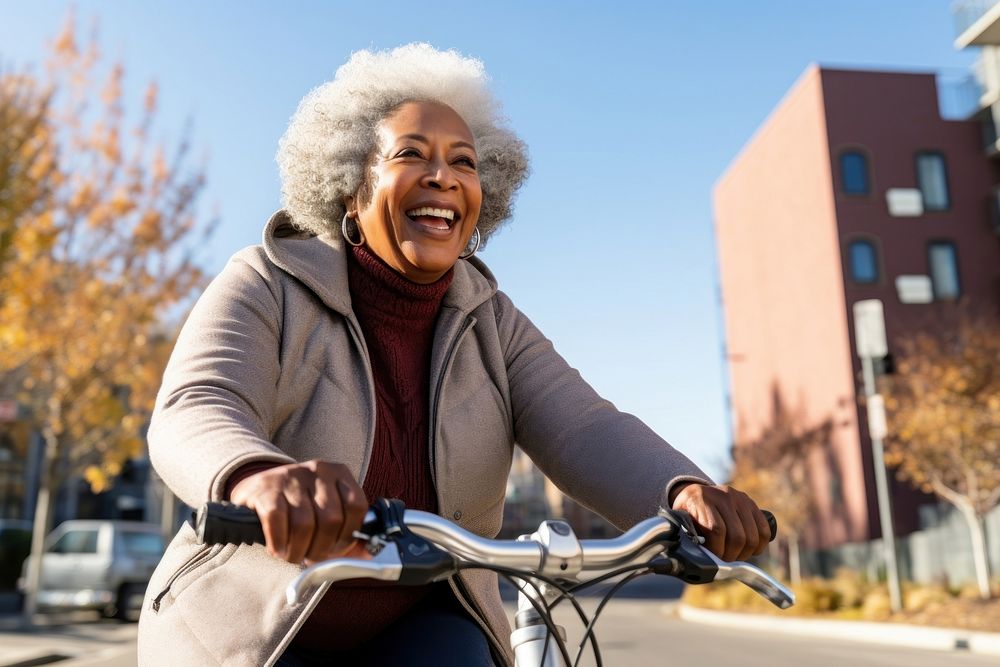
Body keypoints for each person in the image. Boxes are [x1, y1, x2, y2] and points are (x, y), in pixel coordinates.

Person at [137, 44, 770, 667]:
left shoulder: (491, 320)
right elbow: (198, 404)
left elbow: (584, 426)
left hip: (419, 628)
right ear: (350, 193)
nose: (443, 175)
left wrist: (683, 489)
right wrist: (257, 477)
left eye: (463, 162)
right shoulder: (267, 282)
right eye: (411, 154)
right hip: (250, 633)